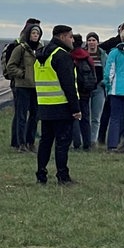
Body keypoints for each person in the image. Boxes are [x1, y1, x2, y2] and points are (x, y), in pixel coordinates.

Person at [34, 25, 81, 185]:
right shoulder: (61, 56)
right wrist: (76, 109)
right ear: (62, 37)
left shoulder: (41, 55)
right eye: (70, 36)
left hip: (44, 106)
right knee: (62, 143)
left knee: (45, 142)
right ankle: (63, 176)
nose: (72, 40)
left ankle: (41, 175)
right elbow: (68, 85)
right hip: (61, 106)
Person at [7, 22, 43, 153]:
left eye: (38, 33)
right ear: (28, 34)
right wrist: (22, 74)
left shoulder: (40, 49)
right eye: (33, 33)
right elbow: (10, 66)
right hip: (22, 86)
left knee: (35, 115)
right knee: (21, 116)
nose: (35, 35)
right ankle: (21, 143)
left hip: (36, 87)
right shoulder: (20, 48)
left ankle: (30, 141)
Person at [70, 34, 96, 150]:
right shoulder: (87, 56)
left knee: (73, 116)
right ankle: (87, 143)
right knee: (85, 117)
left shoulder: (69, 56)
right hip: (86, 91)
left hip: (74, 91)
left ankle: (76, 143)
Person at [85, 32, 107, 147]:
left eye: (94, 40)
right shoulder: (83, 55)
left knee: (96, 116)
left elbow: (108, 70)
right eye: (89, 40)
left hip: (99, 88)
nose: (91, 42)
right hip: (86, 88)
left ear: (97, 42)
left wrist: (105, 82)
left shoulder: (103, 55)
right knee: (85, 116)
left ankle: (93, 140)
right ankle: (86, 139)